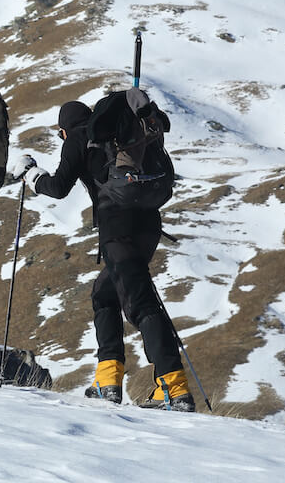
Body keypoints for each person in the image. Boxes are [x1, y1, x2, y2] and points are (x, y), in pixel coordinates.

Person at [22, 100, 194, 411]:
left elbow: (59, 187)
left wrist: (33, 177)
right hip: (148, 222)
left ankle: (173, 388)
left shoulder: (77, 138)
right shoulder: (116, 131)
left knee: (139, 302)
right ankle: (107, 380)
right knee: (104, 294)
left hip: (119, 227)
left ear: (63, 130)